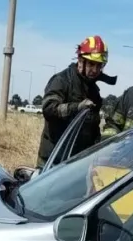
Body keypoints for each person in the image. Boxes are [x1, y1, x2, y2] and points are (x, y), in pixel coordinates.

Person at [37, 35, 118, 168]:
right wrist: (76, 107)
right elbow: (49, 109)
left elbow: (93, 127)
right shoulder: (62, 80)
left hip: (77, 163)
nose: (96, 70)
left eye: (99, 66)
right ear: (80, 60)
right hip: (52, 161)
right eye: (92, 64)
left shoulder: (93, 90)